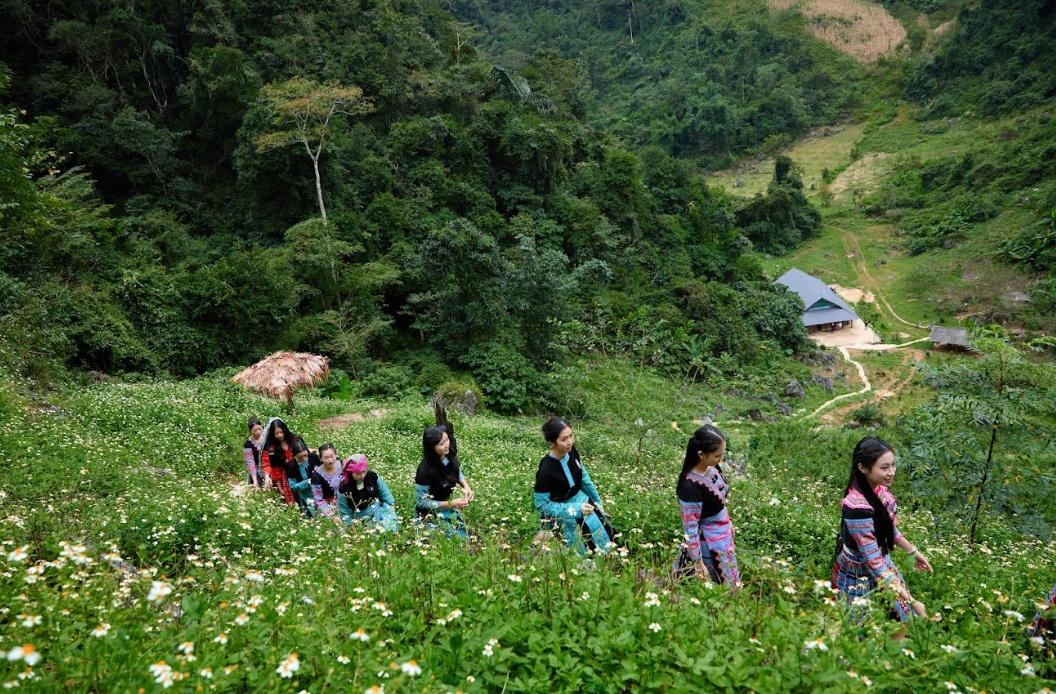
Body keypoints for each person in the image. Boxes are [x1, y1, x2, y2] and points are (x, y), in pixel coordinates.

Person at [831, 437, 934, 622]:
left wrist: (912, 551)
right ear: (863, 468)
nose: (891, 472)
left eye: (893, 465)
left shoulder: (879, 491)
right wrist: (913, 601)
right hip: (858, 574)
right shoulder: (856, 509)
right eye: (884, 468)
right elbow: (874, 563)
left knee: (900, 621)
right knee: (860, 629)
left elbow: (888, 529)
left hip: (880, 564)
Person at [533, 417, 615, 555]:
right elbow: (542, 506)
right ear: (552, 442)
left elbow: (584, 478)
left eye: (571, 436)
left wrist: (597, 501)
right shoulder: (546, 470)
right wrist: (576, 509)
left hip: (585, 503)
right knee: (582, 553)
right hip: (564, 515)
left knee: (607, 539)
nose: (569, 442)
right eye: (564, 439)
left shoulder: (572, 452)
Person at [671, 425, 740, 587]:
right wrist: (698, 563)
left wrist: (727, 521)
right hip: (708, 543)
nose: (720, 459)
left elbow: (720, 500)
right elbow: (690, 528)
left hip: (722, 534)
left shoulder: (712, 467)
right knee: (713, 586)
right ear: (701, 455)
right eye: (717, 455)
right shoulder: (690, 487)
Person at [415, 423, 475, 538]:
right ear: (431, 447)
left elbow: (456, 472)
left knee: (464, 534)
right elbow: (422, 502)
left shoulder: (447, 457)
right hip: (430, 512)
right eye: (441, 444)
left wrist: (466, 487)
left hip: (446, 507)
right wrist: (451, 504)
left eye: (447, 440)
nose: (446, 445)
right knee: (445, 538)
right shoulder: (425, 469)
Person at [337, 454, 399, 531]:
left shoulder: (372, 476)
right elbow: (344, 511)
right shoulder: (344, 488)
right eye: (358, 474)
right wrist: (352, 529)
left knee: (391, 528)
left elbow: (384, 492)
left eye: (364, 471)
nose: (362, 475)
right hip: (360, 516)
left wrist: (392, 505)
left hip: (378, 509)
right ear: (350, 472)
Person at [261, 418, 300, 505]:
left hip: (299, 472)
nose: (279, 435)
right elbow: (275, 468)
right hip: (285, 476)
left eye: (281, 432)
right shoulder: (272, 448)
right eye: (276, 433)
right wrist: (280, 487)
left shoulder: (294, 440)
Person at [309, 443, 344, 520]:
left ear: (336, 455)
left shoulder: (343, 466)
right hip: (326, 507)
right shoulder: (316, 476)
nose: (330, 460)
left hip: (344, 502)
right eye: (326, 458)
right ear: (321, 459)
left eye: (332, 456)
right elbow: (318, 499)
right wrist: (331, 515)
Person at [286, 439, 321, 516]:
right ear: (294, 456)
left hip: (320, 492)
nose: (304, 459)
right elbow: (293, 486)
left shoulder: (313, 458)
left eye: (305, 455)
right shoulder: (292, 467)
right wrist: (307, 482)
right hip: (306, 496)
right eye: (300, 457)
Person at [243, 418, 265, 487]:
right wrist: (255, 480)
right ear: (250, 431)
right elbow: (250, 462)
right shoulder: (248, 444)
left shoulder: (267, 439)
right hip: (256, 471)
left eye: (259, 429)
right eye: (255, 430)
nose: (258, 432)